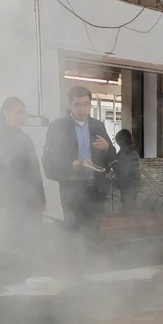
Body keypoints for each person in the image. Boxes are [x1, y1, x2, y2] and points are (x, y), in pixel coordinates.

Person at [42, 85, 116, 236]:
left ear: (90, 104)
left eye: (85, 104)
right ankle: (74, 252)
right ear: (69, 104)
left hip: (96, 189)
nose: (82, 109)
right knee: (72, 233)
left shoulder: (98, 126)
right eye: (77, 104)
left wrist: (107, 148)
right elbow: (49, 162)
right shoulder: (58, 127)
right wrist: (70, 167)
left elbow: (112, 158)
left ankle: (93, 252)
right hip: (72, 190)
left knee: (93, 232)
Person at [0, 97, 46, 248]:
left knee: (32, 243)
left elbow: (35, 170)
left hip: (30, 201)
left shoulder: (25, 138)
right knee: (11, 244)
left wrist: (41, 198)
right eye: (17, 112)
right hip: (8, 203)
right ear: (5, 112)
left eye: (24, 113)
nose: (21, 117)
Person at [112, 129, 141, 214]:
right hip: (134, 181)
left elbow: (122, 169)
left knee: (127, 204)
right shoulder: (133, 150)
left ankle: (128, 218)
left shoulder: (124, 152)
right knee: (131, 202)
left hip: (127, 183)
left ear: (120, 141)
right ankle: (131, 217)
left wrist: (113, 165)